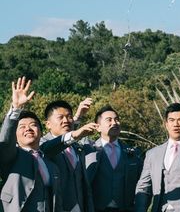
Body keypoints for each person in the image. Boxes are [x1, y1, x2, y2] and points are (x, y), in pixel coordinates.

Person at [0, 77, 95, 212]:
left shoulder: (48, 162)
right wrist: (16, 109)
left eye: (33, 125)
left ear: (41, 131)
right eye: (22, 126)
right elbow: (5, 142)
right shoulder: (12, 156)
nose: (28, 128)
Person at [134, 70, 180, 212]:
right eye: (171, 120)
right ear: (166, 124)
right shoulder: (152, 154)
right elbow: (144, 187)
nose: (176, 124)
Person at [40, 99, 100, 212]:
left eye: (69, 117)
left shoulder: (77, 147)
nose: (66, 120)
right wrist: (76, 134)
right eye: (60, 117)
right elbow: (51, 147)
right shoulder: (42, 144)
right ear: (48, 124)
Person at [85, 105, 144, 212]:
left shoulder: (133, 152)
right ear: (98, 127)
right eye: (109, 120)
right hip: (96, 208)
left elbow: (141, 182)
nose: (114, 123)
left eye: (117, 119)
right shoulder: (88, 150)